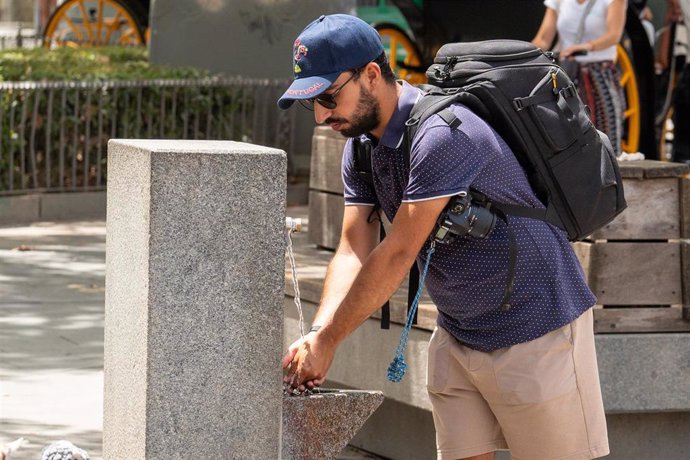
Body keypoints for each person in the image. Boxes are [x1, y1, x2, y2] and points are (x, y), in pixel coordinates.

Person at [278, 14, 609, 460]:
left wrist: (328, 342)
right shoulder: (360, 146)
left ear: (372, 74)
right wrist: (319, 330)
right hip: (459, 333)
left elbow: (397, 254)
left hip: (538, 328)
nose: (320, 115)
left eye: (329, 96)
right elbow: (354, 247)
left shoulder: (441, 135)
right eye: (309, 103)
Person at [532, 0, 628, 155]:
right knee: (563, 131)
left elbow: (614, 35)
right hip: (567, 73)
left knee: (605, 133)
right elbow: (543, 39)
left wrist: (587, 46)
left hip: (598, 74)